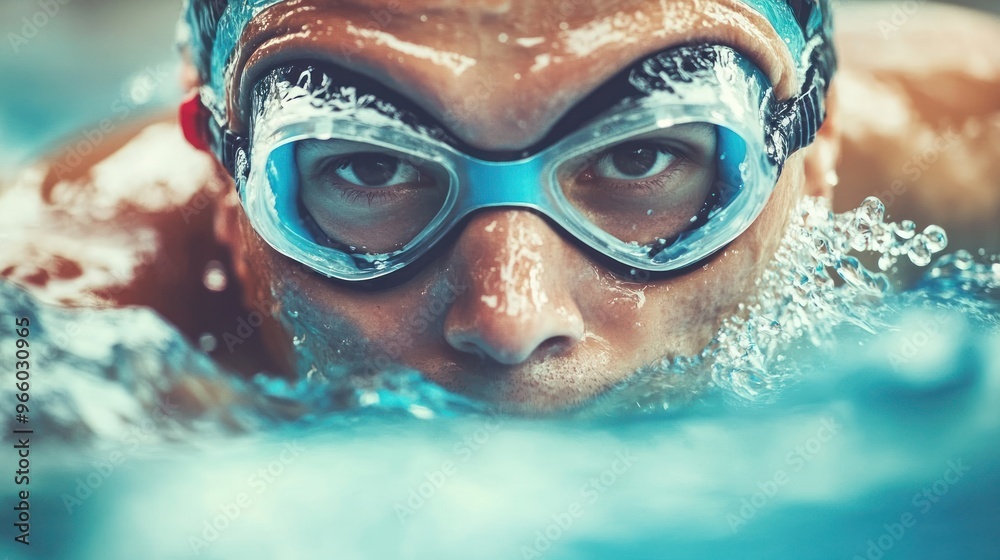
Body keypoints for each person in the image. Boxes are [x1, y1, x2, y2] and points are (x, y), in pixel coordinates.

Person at [1, 0, 998, 413]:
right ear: (223, 170)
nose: (510, 318)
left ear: (809, 142)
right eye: (369, 171)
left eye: (642, 154)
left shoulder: (970, 149)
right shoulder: (54, 335)